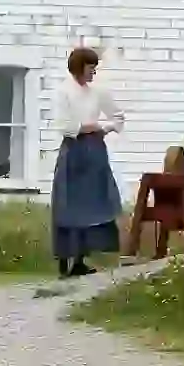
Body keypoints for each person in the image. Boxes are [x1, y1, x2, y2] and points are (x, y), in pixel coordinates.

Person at [52, 47, 126, 278]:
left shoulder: (97, 93)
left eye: (95, 68)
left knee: (91, 203)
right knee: (68, 203)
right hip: (73, 150)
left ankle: (80, 260)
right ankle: (65, 259)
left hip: (94, 151)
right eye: (90, 68)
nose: (93, 72)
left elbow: (118, 116)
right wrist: (91, 126)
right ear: (79, 67)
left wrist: (105, 128)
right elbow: (65, 126)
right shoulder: (64, 91)